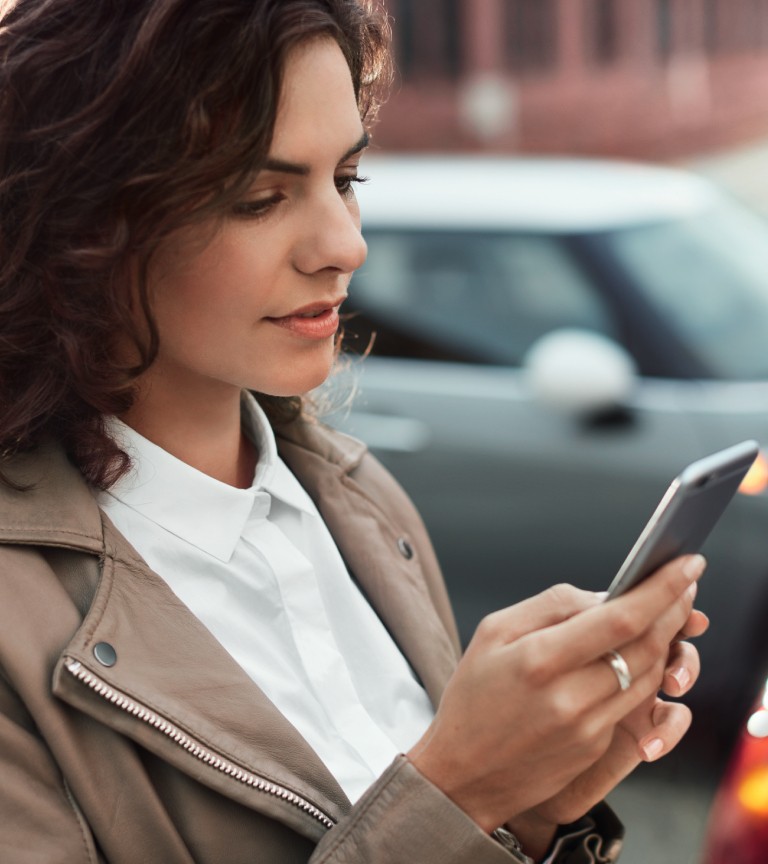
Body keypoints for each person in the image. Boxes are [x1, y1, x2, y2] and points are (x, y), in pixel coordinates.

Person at [0, 1, 708, 862]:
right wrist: (457, 785)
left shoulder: (361, 500)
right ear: (90, 225)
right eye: (261, 197)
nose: (345, 246)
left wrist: (532, 810)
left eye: (346, 179)